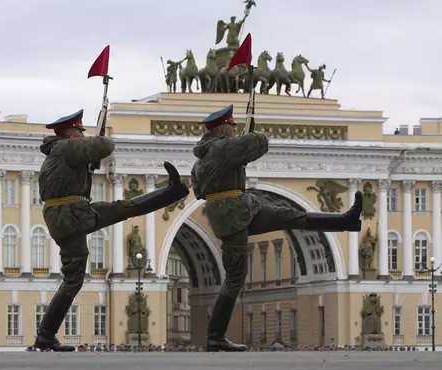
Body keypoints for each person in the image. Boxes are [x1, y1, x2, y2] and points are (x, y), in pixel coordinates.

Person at [191, 104, 362, 352]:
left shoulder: (204, 158)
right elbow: (261, 142)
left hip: (241, 207)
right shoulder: (222, 148)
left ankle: (345, 221)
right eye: (231, 125)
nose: (233, 129)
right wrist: (248, 136)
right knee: (236, 276)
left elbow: (199, 192)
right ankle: (215, 336)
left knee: (288, 216)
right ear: (222, 127)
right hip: (233, 214)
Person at [35, 109, 190, 351]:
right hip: (70, 216)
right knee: (73, 279)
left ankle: (172, 191)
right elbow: (105, 146)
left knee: (124, 208)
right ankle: (45, 334)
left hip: (72, 213)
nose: (80, 135)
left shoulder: (61, 151)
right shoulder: (65, 147)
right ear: (70, 132)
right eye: (79, 131)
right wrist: (97, 139)